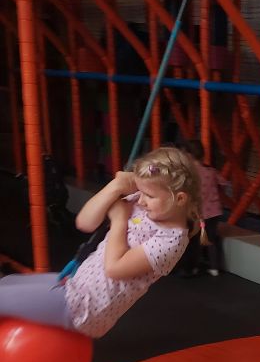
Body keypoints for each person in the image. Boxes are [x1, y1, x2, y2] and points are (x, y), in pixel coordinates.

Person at [0, 145, 200, 338]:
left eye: (149, 195)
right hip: (75, 283)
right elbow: (84, 223)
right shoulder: (143, 202)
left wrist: (119, 220)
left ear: (180, 199)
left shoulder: (170, 241)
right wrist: (115, 187)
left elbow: (114, 268)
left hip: (84, 307)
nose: (141, 200)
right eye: (141, 192)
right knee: (7, 283)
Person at [183, 139, 224, 277]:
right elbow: (223, 182)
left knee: (194, 240)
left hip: (198, 212)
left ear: (188, 155)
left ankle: (194, 267)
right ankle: (215, 268)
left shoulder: (190, 174)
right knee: (211, 239)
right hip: (214, 211)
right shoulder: (211, 170)